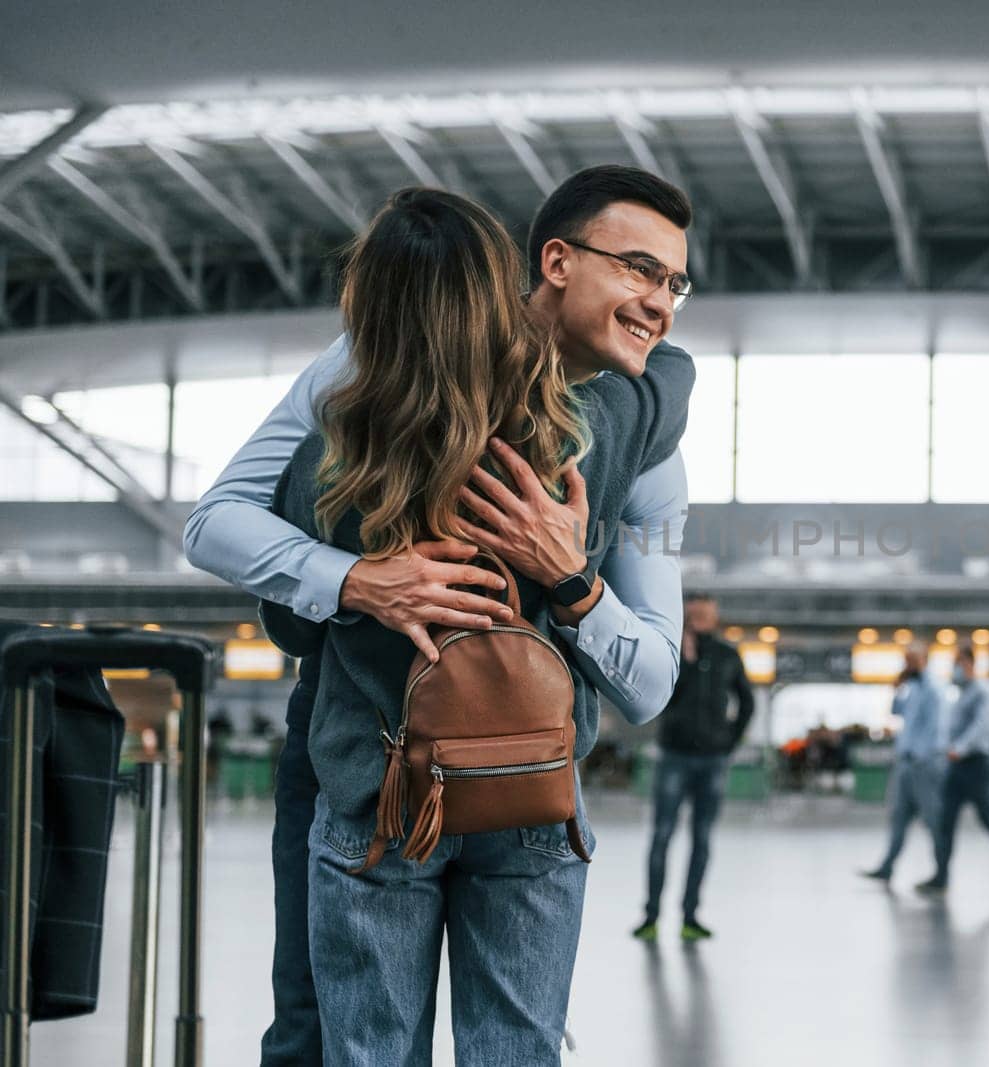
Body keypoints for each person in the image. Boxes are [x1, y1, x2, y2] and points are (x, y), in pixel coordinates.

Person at [183, 166, 696, 1065]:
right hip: (371, 743)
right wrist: (356, 580)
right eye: (640, 270)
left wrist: (573, 578)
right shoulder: (376, 363)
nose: (661, 302)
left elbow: (652, 681)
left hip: (509, 758)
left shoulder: (648, 441)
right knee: (317, 1027)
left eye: (676, 283)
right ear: (557, 261)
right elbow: (215, 520)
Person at [633, 593, 756, 942]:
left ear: (715, 618)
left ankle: (690, 916)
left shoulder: (727, 656)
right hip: (674, 756)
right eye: (694, 614)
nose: (700, 619)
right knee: (662, 836)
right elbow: (656, 697)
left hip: (712, 760)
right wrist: (684, 660)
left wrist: (729, 742)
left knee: (702, 839)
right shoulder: (671, 653)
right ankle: (651, 916)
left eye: (705, 614)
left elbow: (746, 703)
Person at [917, 645, 989, 896]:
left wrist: (960, 748)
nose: (955, 669)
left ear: (969, 662)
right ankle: (941, 876)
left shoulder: (982, 690)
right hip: (956, 767)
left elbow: (981, 725)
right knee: (945, 823)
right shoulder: (960, 695)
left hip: (977, 765)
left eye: (958, 662)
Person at [860, 645, 946, 884]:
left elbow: (935, 729)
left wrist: (922, 757)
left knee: (932, 819)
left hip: (924, 765)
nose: (908, 665)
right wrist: (897, 689)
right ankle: (887, 866)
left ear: (925, 660)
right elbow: (895, 712)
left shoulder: (935, 689)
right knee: (898, 816)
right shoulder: (913, 689)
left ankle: (941, 872)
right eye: (906, 660)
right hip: (906, 764)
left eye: (912, 660)